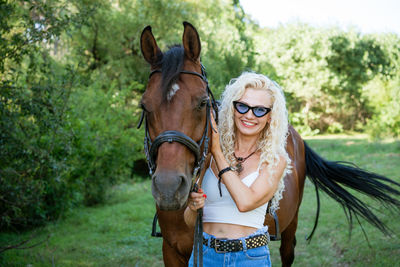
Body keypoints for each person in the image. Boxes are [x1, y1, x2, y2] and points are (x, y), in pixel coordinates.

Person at [184, 72, 291, 266]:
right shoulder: (207, 156)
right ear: (231, 109)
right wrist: (193, 207)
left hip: (248, 257)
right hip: (204, 254)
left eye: (259, 110)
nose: (249, 115)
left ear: (270, 117)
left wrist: (217, 152)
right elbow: (191, 223)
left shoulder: (274, 161)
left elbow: (245, 202)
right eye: (242, 106)